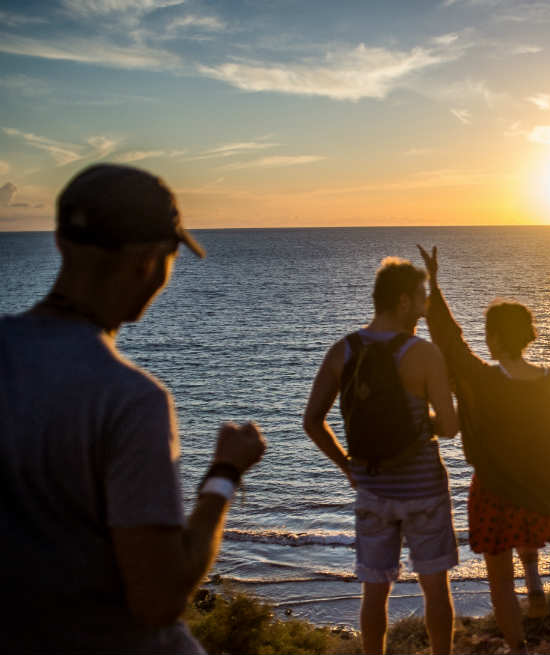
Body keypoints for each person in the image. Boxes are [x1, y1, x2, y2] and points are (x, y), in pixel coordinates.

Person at [0, 164, 268, 654]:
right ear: (148, 261)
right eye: (171, 257)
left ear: (61, 243)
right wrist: (225, 472)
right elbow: (159, 598)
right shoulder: (128, 398)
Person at [419, 245, 550, 653]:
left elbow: (450, 341)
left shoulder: (483, 381)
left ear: (493, 337)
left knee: (499, 583)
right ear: (528, 335)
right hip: (539, 493)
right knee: (523, 538)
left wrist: (435, 286)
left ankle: (518, 648)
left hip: (494, 494)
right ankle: (534, 580)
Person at [303, 256, 459, 655]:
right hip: (424, 489)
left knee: (374, 593)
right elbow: (450, 426)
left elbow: (312, 422)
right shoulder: (423, 354)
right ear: (404, 301)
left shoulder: (343, 350)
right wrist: (422, 419)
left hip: (372, 489)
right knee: (435, 588)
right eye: (423, 299)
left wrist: (346, 467)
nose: (425, 308)